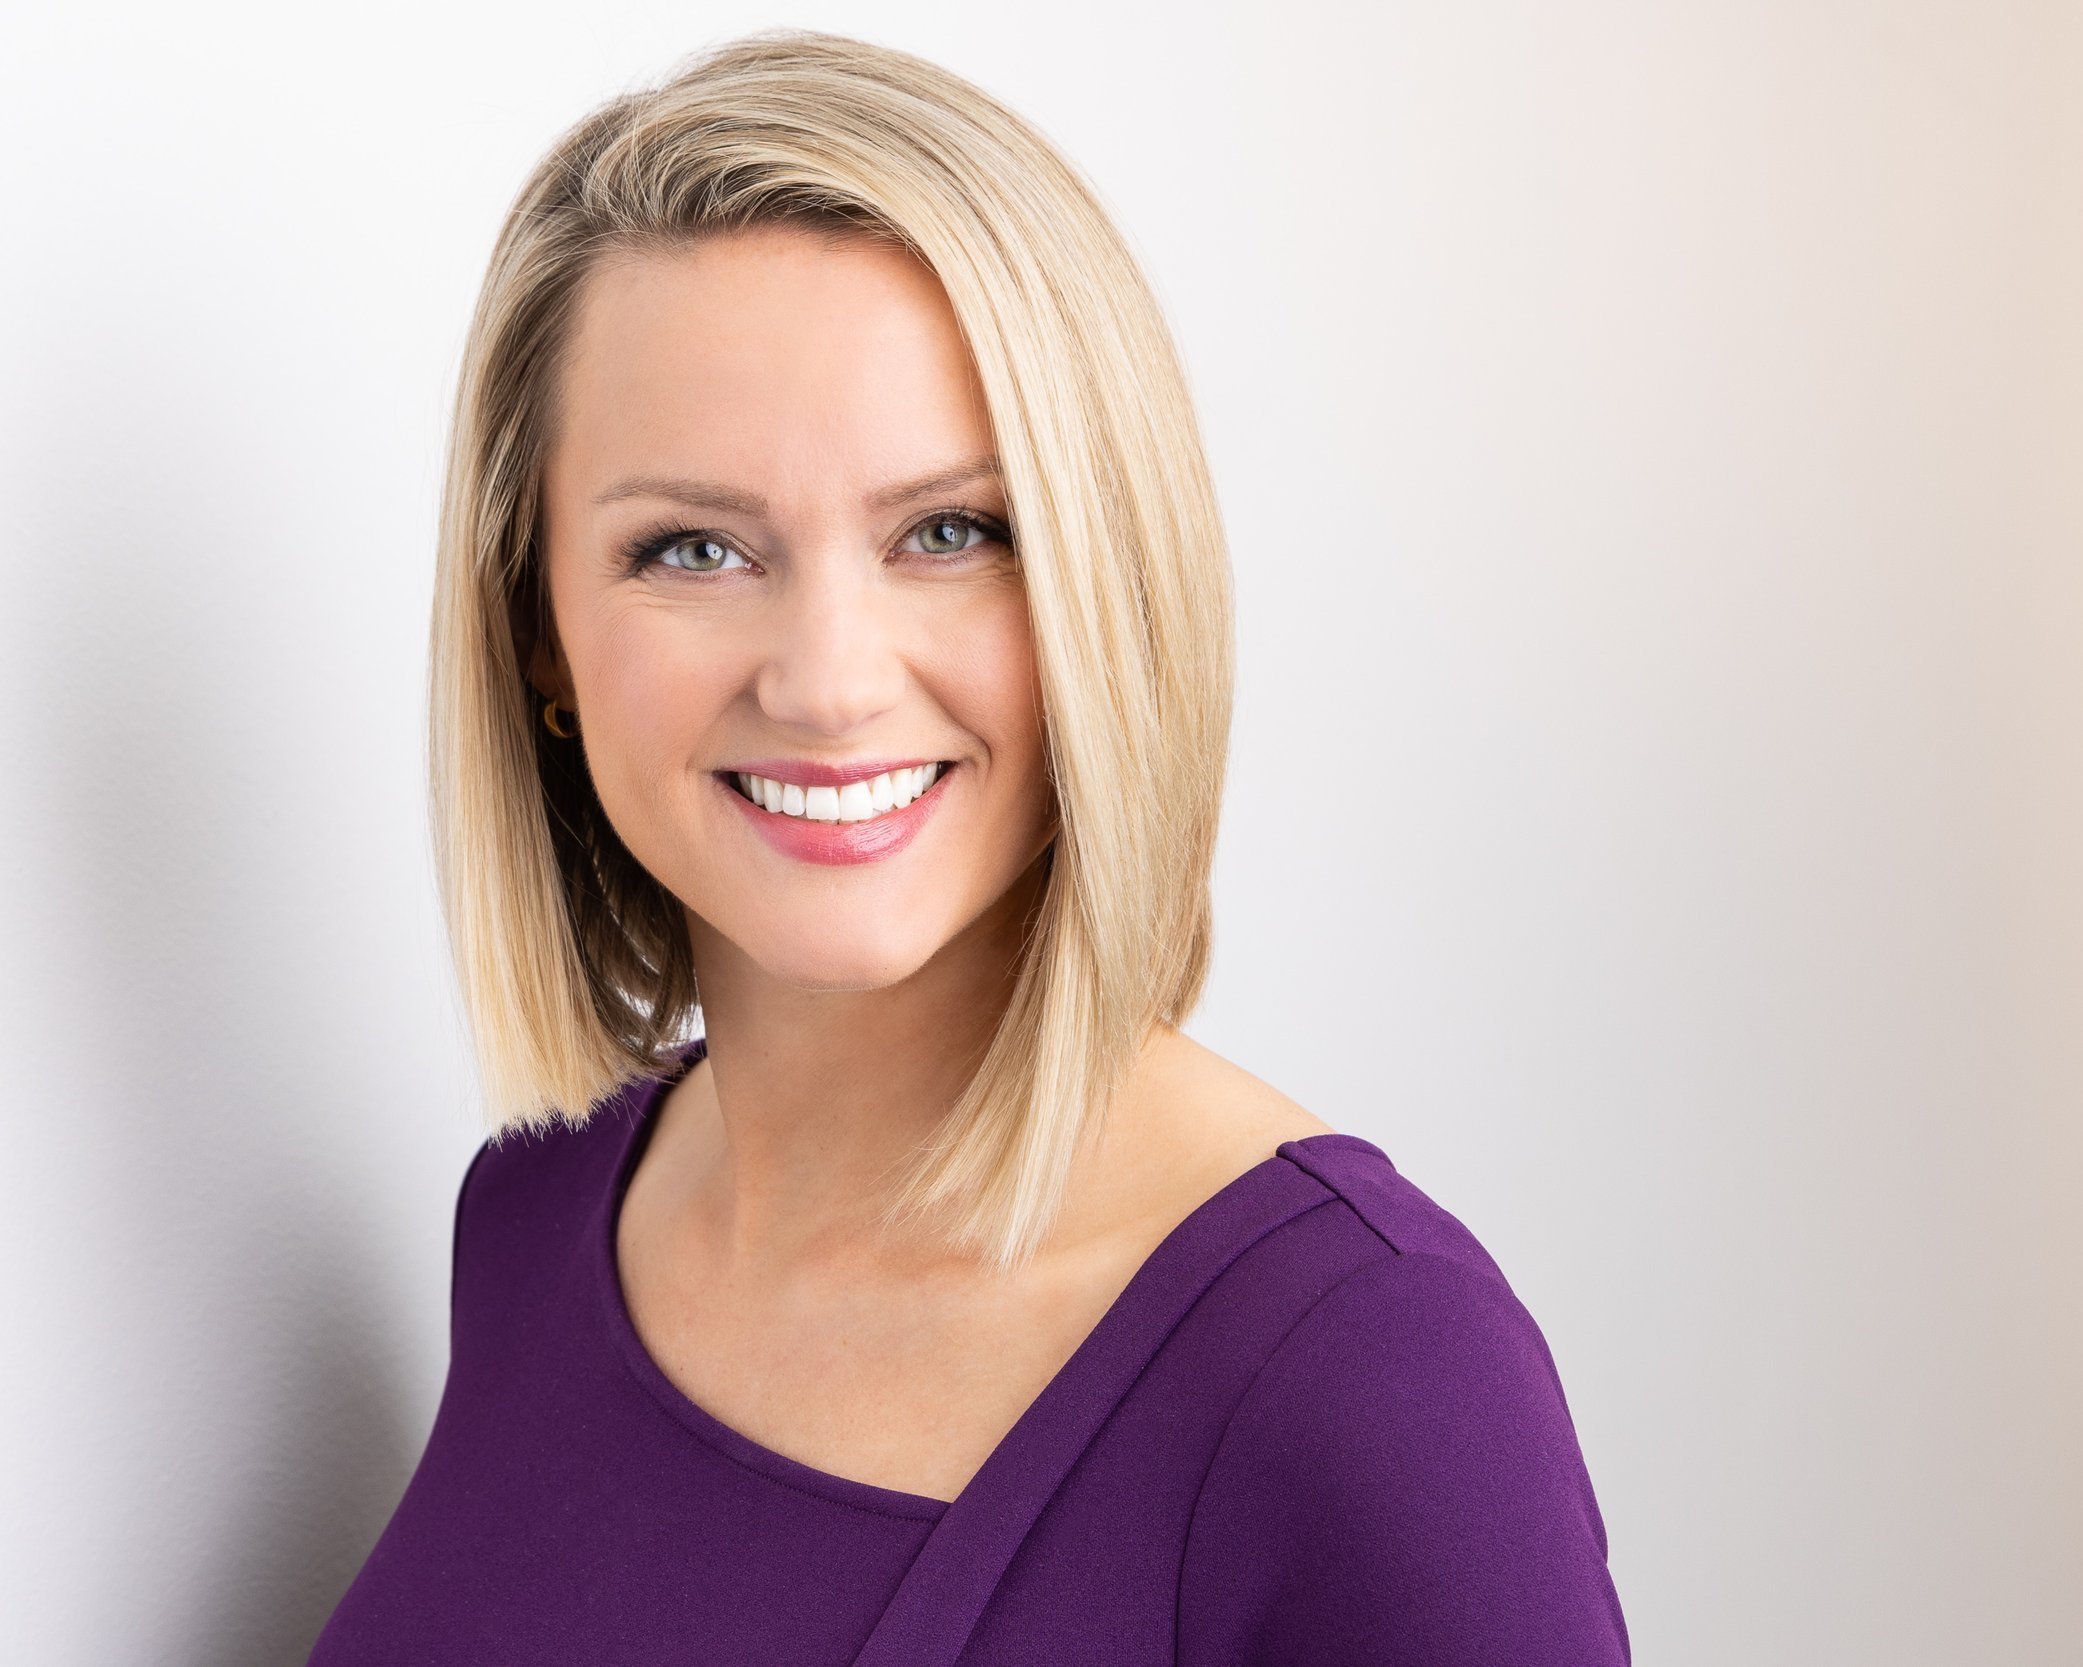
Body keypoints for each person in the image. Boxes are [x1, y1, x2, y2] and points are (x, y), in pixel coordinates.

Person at [308, 27, 1630, 1666]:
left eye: (952, 531)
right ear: (541, 640)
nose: (830, 680)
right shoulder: (531, 1219)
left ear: (1110, 579)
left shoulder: (1363, 1378)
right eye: (695, 547)